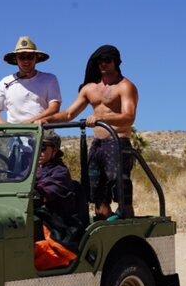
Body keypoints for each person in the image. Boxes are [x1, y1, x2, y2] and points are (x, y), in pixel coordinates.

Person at [43, 45, 138, 219]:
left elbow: (129, 117)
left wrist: (102, 119)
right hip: (97, 145)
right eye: (99, 61)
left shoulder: (125, 87)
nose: (103, 64)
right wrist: (47, 119)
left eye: (107, 60)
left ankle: (127, 230)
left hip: (118, 143)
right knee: (96, 194)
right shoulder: (89, 89)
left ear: (116, 62)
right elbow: (69, 114)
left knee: (122, 192)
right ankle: (105, 231)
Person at [0, 36, 62, 124]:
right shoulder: (5, 82)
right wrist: (6, 127)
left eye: (30, 57)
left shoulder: (49, 79)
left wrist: (29, 123)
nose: (26, 61)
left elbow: (54, 108)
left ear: (36, 58)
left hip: (41, 131)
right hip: (13, 136)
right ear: (16, 59)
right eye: (22, 57)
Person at [33, 129, 78, 270]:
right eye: (35, 146)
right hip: (40, 218)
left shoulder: (60, 172)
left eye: (43, 147)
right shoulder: (32, 169)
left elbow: (41, 196)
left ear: (54, 150)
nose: (38, 151)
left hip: (56, 225)